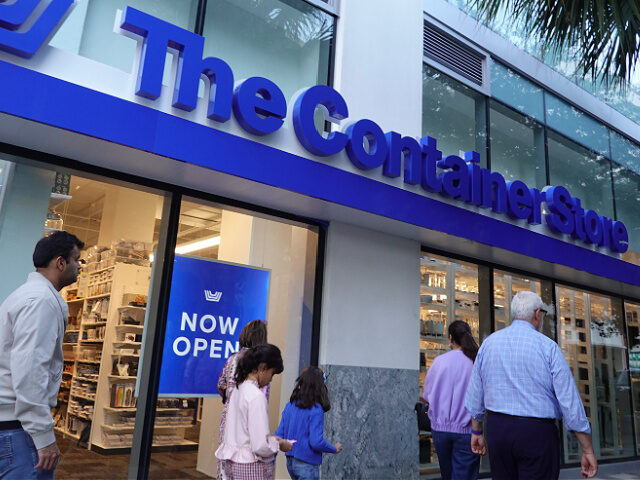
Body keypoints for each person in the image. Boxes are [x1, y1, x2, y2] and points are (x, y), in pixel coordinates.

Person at [464, 291, 598, 480]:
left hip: (497, 429)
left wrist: (476, 430)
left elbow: (476, 392)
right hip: (537, 433)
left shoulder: (489, 344)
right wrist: (587, 449)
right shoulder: (548, 347)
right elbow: (569, 401)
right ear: (537, 314)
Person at [0, 231, 84, 479]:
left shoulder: (26, 296)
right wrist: (44, 437)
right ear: (60, 262)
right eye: (77, 259)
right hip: (19, 431)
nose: (79, 266)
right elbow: (31, 370)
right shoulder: (41, 302)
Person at [215, 343, 292, 480]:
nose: (270, 379)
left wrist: (272, 440)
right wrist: (279, 444)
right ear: (262, 367)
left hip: (232, 463)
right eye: (272, 373)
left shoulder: (237, 390)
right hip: (251, 465)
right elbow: (259, 446)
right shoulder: (256, 396)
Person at [423, 321, 480, 480]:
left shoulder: (439, 361)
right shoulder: (475, 361)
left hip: (440, 430)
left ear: (450, 339)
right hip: (467, 430)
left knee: (447, 475)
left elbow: (427, 395)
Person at [217, 320, 268, 478]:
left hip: (229, 418)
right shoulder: (261, 364)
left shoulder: (232, 359)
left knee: (227, 464)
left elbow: (221, 385)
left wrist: (229, 398)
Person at [275, 366, 342, 480]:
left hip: (290, 463)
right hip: (307, 464)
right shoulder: (316, 409)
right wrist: (333, 449)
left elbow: (278, 435)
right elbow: (316, 442)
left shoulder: (290, 405)